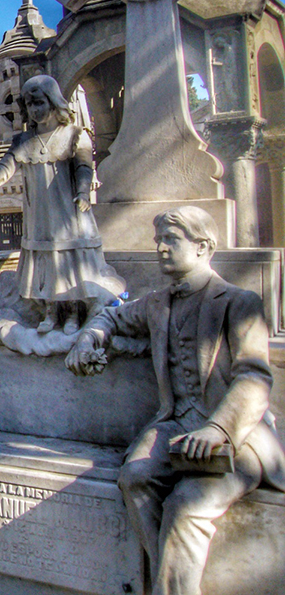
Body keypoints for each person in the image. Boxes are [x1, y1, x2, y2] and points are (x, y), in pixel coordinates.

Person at [66, 206, 285, 595]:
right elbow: (112, 318)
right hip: (176, 423)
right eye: (158, 240)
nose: (160, 248)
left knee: (185, 505)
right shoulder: (157, 303)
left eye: (171, 240)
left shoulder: (240, 302)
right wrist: (89, 338)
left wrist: (218, 428)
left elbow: (254, 377)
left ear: (203, 247)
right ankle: (171, 583)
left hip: (239, 436)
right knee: (134, 477)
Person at [0, 74, 121, 334]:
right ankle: (50, 311)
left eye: (39, 103)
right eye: (30, 104)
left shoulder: (74, 135)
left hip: (68, 212)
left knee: (68, 263)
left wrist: (82, 192)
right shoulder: (23, 141)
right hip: (39, 215)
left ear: (54, 102)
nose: (35, 110)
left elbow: (83, 167)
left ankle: (74, 314)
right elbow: (2, 171)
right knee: (44, 263)